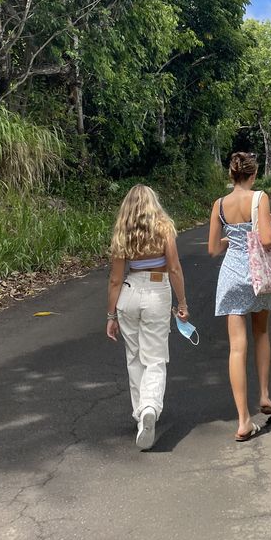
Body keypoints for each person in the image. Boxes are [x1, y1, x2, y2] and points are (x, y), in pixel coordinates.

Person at [208, 152, 271, 442]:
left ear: (231, 175)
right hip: (258, 275)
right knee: (262, 332)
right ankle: (264, 395)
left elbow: (213, 249)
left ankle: (243, 420)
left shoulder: (219, 204)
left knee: (236, 348)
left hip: (231, 275)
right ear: (253, 175)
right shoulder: (260, 198)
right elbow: (266, 240)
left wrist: (232, 238)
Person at [106, 184, 189, 450]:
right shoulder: (164, 227)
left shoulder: (123, 232)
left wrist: (111, 315)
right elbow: (174, 268)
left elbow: (116, 278)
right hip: (157, 290)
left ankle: (140, 414)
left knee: (134, 357)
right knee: (155, 357)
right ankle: (150, 407)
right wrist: (182, 302)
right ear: (154, 204)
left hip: (129, 293)